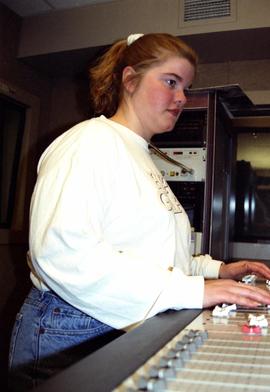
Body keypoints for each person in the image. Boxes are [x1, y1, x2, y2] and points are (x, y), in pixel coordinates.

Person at [8, 32, 270, 391]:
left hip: (120, 320)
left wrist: (216, 270)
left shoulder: (140, 155)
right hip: (73, 328)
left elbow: (151, 253)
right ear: (130, 79)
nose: (181, 97)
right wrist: (195, 291)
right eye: (171, 82)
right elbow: (61, 252)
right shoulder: (90, 142)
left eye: (186, 87)